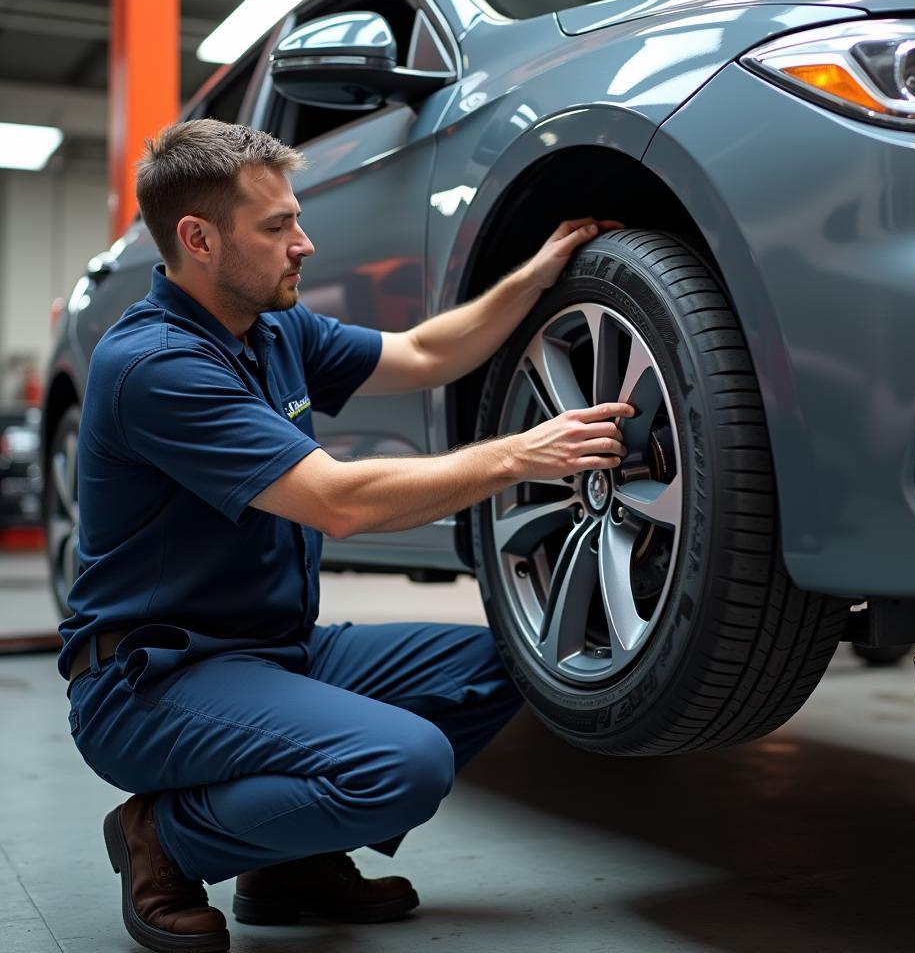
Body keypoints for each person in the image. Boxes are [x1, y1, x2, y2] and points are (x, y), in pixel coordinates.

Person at [57, 119, 632, 953]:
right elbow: (339, 503)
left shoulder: (272, 327)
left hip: (273, 648)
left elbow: (429, 351)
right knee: (405, 765)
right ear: (198, 239)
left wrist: (534, 276)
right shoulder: (157, 365)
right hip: (154, 679)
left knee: (509, 662)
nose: (304, 243)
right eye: (277, 226)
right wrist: (519, 454)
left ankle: (288, 862)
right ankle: (163, 839)